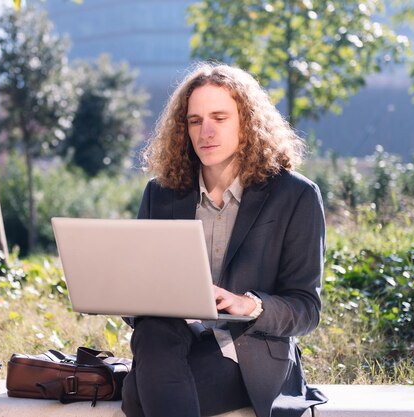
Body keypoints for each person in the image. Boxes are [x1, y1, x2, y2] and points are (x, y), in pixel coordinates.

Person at [121, 62, 328, 417]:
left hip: (250, 357)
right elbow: (141, 305)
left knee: (140, 398)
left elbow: (306, 309)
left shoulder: (296, 196)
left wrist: (250, 305)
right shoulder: (161, 194)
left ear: (247, 123)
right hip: (174, 345)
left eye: (220, 117)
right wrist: (134, 297)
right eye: (195, 121)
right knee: (153, 327)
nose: (206, 132)